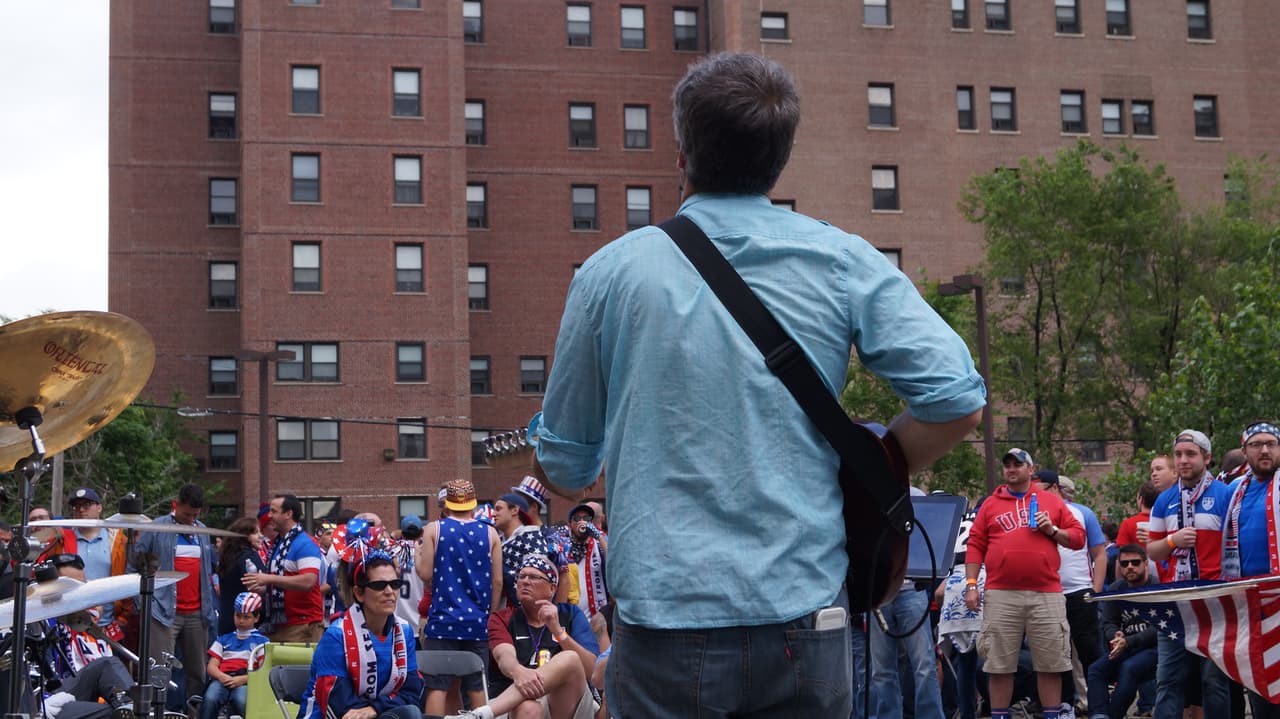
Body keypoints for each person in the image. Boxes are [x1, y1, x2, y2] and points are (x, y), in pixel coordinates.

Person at [530, 51, 985, 718]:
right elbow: (955, 398)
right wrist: (874, 464)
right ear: (781, 157)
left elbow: (566, 467)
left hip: (663, 629)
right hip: (805, 618)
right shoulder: (839, 258)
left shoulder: (608, 275)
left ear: (681, 152)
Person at [965, 448, 1085, 719]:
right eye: (1007, 465)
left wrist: (1052, 530)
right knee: (998, 664)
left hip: (1047, 593)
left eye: (1017, 464)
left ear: (1031, 470)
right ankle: (999, 714)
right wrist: (972, 584)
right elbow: (975, 544)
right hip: (1001, 593)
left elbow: (1078, 538)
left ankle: (1052, 714)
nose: (1011, 469)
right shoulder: (991, 504)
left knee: (1050, 663)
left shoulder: (1051, 502)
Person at [446, 555, 599, 719]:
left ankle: (480, 714)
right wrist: (519, 672)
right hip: (513, 705)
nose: (525, 581)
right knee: (528, 708)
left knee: (570, 659)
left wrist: (558, 632)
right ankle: (481, 715)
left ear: (552, 588)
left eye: (534, 577)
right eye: (521, 576)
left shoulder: (570, 614)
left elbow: (593, 672)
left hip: (565, 704)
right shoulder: (503, 617)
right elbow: (504, 656)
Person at [1146, 430, 1233, 719]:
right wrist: (1173, 541)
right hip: (1174, 602)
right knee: (1168, 679)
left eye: (1191, 454)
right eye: (1179, 454)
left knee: (1214, 681)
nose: (1183, 460)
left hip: (1214, 601)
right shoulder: (1164, 500)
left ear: (1207, 458)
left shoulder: (1226, 494)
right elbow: (1153, 551)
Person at [297, 532, 424, 719]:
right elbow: (339, 705)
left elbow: (412, 692)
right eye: (380, 585)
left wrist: (376, 709)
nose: (390, 592)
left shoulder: (404, 632)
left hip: (377, 714)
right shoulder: (336, 635)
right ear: (359, 593)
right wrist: (381, 708)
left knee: (410, 712)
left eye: (395, 584)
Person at [416, 479, 502, 716]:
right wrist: (491, 614)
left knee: (437, 687)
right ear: (473, 505)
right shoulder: (491, 533)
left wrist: (416, 554)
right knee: (476, 687)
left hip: (442, 622)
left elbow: (425, 574)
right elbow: (497, 581)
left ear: (447, 504)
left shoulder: (434, 529)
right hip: (476, 624)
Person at [134, 482, 218, 709]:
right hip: (162, 611)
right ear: (175, 505)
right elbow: (134, 567)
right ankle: (154, 712)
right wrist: (142, 604)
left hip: (197, 612)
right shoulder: (156, 528)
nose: (191, 518)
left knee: (198, 673)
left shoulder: (201, 531)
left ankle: (192, 714)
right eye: (187, 513)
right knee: (159, 671)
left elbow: (207, 571)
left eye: (195, 514)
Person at [1221, 421, 1280, 718]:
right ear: (1245, 451)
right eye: (1257, 445)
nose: (1265, 450)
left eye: (1271, 443)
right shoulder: (1234, 490)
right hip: (1248, 599)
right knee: (1259, 678)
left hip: (1279, 594)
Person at [1038, 471, 1105, 719]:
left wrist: (1095, 591)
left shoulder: (1081, 512)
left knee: (1089, 650)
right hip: (1047, 593)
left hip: (1079, 590)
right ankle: (1065, 705)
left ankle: (1099, 704)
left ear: (1055, 487)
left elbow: (1099, 553)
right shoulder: (1032, 513)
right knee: (1056, 653)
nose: (1036, 492)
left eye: (1041, 487)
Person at [1086, 544, 1159, 719]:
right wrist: (1116, 636)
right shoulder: (1116, 589)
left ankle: (1113, 716)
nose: (1130, 567)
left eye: (1135, 562)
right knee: (1096, 670)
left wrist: (1128, 642)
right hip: (1126, 646)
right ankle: (1099, 715)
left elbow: (1160, 628)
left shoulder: (1158, 585)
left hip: (1156, 647)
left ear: (1145, 563)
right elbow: (1109, 622)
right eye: (1124, 564)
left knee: (1129, 668)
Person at [244, 493, 326, 643]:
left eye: (274, 511)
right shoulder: (278, 544)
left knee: (296, 667)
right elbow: (283, 585)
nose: (269, 516)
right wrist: (263, 588)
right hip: (279, 624)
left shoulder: (305, 543)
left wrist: (268, 578)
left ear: (288, 514)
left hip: (302, 625)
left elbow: (308, 581)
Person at [201, 592, 269, 719]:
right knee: (210, 699)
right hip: (222, 679)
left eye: (246, 617)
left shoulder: (262, 642)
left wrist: (242, 679)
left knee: (241, 701)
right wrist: (222, 677)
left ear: (257, 618)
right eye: (238, 616)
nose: (241, 621)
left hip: (246, 681)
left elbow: (263, 671)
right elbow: (211, 666)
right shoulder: (223, 639)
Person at [215, 516, 267, 636]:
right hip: (246, 623)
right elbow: (255, 586)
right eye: (255, 532)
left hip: (227, 620)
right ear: (244, 536)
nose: (260, 536)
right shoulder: (248, 557)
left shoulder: (227, 557)